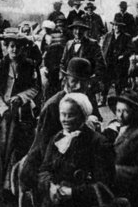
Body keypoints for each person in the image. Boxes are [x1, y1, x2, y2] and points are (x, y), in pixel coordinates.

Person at [33, 93, 116, 207]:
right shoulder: (56, 139)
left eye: (71, 115)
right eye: (62, 114)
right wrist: (50, 186)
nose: (65, 120)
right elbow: (43, 170)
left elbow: (105, 186)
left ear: (83, 116)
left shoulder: (98, 143)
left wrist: (73, 193)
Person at [21, 58, 100, 194]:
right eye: (74, 81)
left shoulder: (86, 98)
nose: (79, 86)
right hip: (48, 160)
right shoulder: (53, 105)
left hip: (75, 154)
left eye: (84, 82)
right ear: (66, 80)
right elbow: (43, 146)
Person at [0, 30, 40, 193]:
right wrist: (2, 108)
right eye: (12, 46)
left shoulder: (29, 65)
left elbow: (35, 87)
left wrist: (21, 97)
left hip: (22, 114)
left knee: (20, 148)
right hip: (3, 115)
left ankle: (16, 186)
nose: (15, 50)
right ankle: (1, 185)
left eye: (18, 47)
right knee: (1, 148)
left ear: (23, 49)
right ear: (6, 48)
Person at [104, 90, 138, 207]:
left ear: (134, 113)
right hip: (116, 188)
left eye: (125, 111)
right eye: (118, 110)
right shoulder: (117, 129)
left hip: (132, 193)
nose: (121, 115)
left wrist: (114, 170)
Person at [60, 21, 106, 117]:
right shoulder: (69, 44)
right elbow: (63, 62)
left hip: (86, 83)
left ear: (85, 31)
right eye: (75, 29)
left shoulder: (93, 44)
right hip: (71, 83)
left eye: (81, 29)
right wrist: (63, 76)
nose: (78, 31)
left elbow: (100, 65)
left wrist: (92, 80)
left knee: (90, 110)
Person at [100, 14, 135, 105]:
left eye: (119, 25)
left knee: (119, 82)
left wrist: (123, 55)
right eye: (115, 25)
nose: (116, 27)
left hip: (120, 63)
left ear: (122, 27)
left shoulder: (126, 37)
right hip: (109, 62)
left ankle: (118, 100)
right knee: (105, 81)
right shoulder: (108, 35)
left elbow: (131, 48)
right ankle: (103, 99)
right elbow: (104, 47)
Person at [43, 31, 68, 102]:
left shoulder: (50, 49)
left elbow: (46, 62)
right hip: (58, 75)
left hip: (53, 75)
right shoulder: (64, 49)